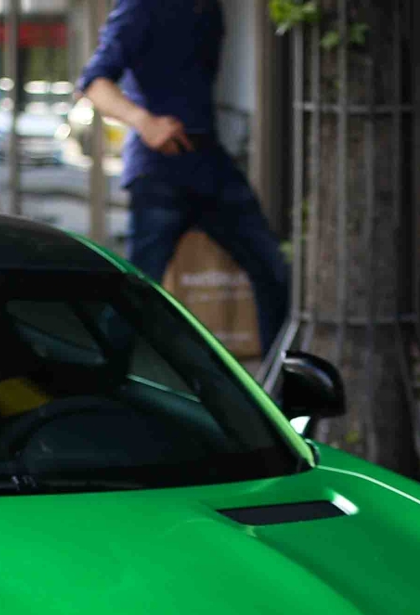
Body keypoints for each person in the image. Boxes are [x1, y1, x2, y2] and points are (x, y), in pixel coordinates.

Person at [76, 0, 291, 354]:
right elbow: (94, 83)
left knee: (274, 270)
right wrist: (145, 122)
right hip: (160, 168)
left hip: (210, 161)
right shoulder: (141, 7)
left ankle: (280, 391)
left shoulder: (209, 8)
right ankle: (103, 383)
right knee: (139, 290)